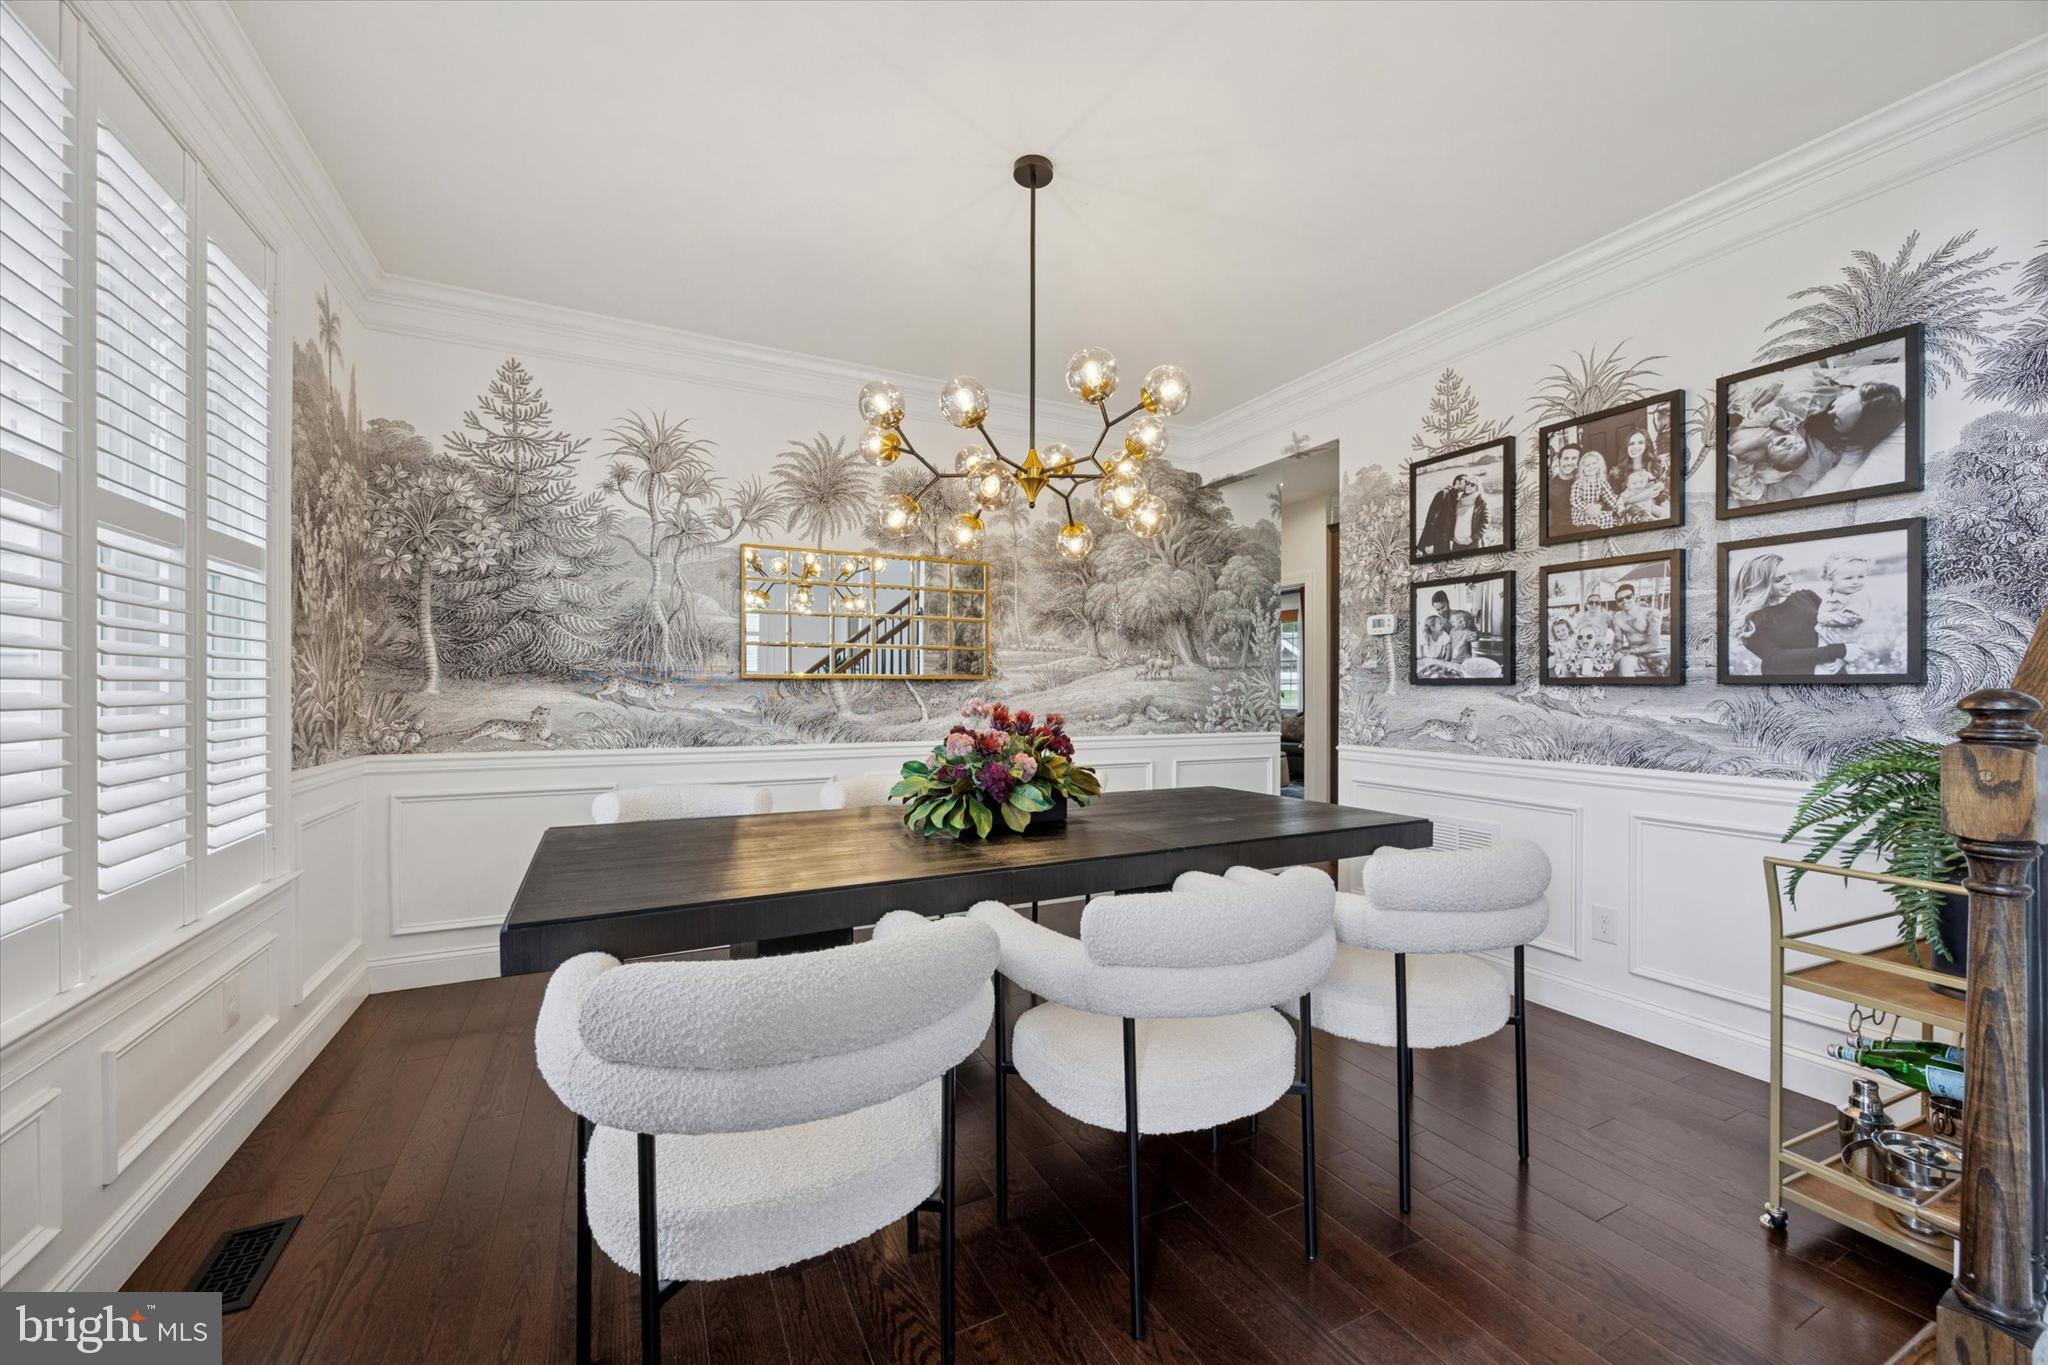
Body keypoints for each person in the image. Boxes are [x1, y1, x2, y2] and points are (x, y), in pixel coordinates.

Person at [1730, 552, 1848, 676]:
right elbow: (1775, 659)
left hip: (1834, 674)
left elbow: (1840, 627)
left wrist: (1843, 659)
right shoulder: (1750, 622)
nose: (1790, 581)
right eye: (1779, 579)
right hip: (1789, 684)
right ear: (1760, 584)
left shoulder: (1807, 596)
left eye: (1789, 574)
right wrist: (1838, 651)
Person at [1813, 550, 1871, 675]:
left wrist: (1825, 618)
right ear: (1830, 580)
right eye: (1848, 578)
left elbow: (1856, 616)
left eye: (1861, 577)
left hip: (1847, 644)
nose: (1856, 581)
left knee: (1830, 672)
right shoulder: (1830, 594)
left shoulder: (1859, 596)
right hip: (1827, 642)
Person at [1416, 471, 1489, 557]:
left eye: (1471, 484)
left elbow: (1483, 522)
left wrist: (1471, 538)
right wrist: (1429, 543)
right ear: (1457, 482)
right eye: (1466, 482)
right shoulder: (1444, 494)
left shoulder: (1459, 499)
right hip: (1437, 542)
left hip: (1453, 543)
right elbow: (1431, 520)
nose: (1467, 485)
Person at [1609, 578, 1667, 677]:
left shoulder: (1651, 613)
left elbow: (1654, 644)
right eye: (1620, 599)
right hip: (1635, 655)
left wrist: (1629, 651)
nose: (1624, 601)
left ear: (1634, 597)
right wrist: (1607, 652)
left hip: (1655, 654)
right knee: (1618, 663)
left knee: (1624, 661)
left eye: (1628, 597)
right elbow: (1618, 643)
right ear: (1617, 602)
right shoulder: (1617, 618)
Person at [1615, 432, 1668, 524]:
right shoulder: (1617, 472)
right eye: (1631, 443)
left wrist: (1662, 487)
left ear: (1647, 446)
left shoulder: (1655, 468)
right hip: (1631, 515)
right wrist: (1642, 496)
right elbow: (1613, 501)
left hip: (1652, 508)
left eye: (1640, 442)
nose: (1635, 447)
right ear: (1626, 447)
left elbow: (1663, 496)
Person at [1570, 451, 1623, 531]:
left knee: (1607, 516)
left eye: (1594, 463)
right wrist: (1587, 507)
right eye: (1587, 465)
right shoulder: (1579, 483)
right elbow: (1574, 500)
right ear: (1582, 469)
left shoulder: (1602, 482)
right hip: (1581, 514)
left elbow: (1609, 497)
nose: (1591, 467)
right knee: (1600, 519)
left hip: (1595, 511)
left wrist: (1617, 505)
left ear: (1599, 465)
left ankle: (1608, 538)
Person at [1547, 445, 1581, 534]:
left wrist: (1599, 505)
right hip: (1558, 532)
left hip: (1582, 529)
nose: (1569, 462)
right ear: (1559, 461)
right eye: (1566, 459)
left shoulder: (1584, 482)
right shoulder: (1549, 485)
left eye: (1574, 458)